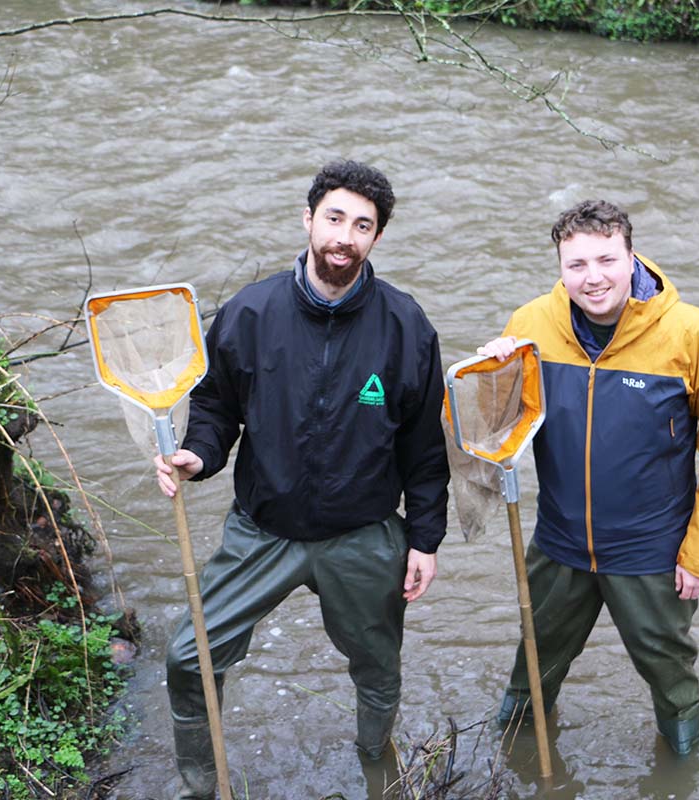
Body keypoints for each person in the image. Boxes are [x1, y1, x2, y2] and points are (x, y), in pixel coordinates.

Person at [154, 160, 450, 798]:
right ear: (308, 218)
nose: (345, 235)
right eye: (335, 217)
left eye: (362, 225)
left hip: (363, 535)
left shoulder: (406, 326)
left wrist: (424, 540)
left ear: (377, 238)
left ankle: (376, 761)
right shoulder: (249, 313)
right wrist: (197, 457)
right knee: (188, 659)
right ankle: (204, 784)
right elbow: (214, 410)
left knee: (378, 669)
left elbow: (426, 446)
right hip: (263, 530)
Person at [478, 199, 699, 756]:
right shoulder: (529, 325)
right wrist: (493, 375)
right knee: (532, 665)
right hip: (559, 543)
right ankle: (510, 758)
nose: (592, 277)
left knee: (669, 674)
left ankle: (680, 768)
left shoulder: (694, 335)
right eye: (576, 264)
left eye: (606, 260)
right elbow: (493, 438)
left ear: (632, 258)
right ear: (559, 266)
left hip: (652, 551)